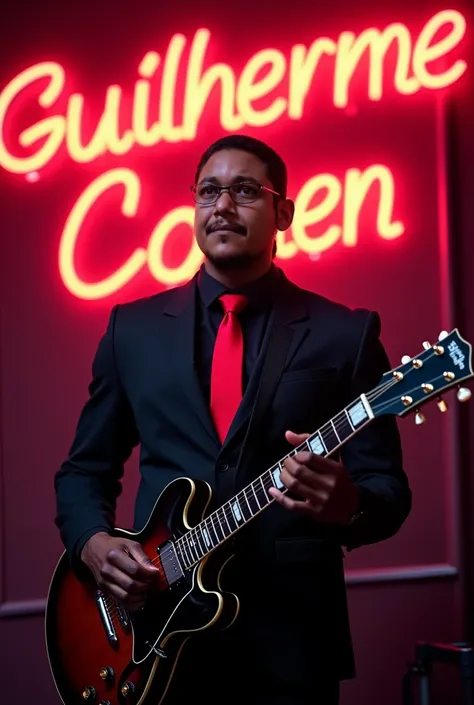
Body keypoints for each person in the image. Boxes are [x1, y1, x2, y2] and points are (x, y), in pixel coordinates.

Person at [54, 134, 412, 705]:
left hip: (292, 645)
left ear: (284, 214)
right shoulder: (132, 330)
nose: (222, 205)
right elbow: (83, 472)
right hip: (153, 636)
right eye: (208, 191)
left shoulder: (346, 334)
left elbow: (389, 490)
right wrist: (93, 544)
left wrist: (348, 505)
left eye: (245, 190)